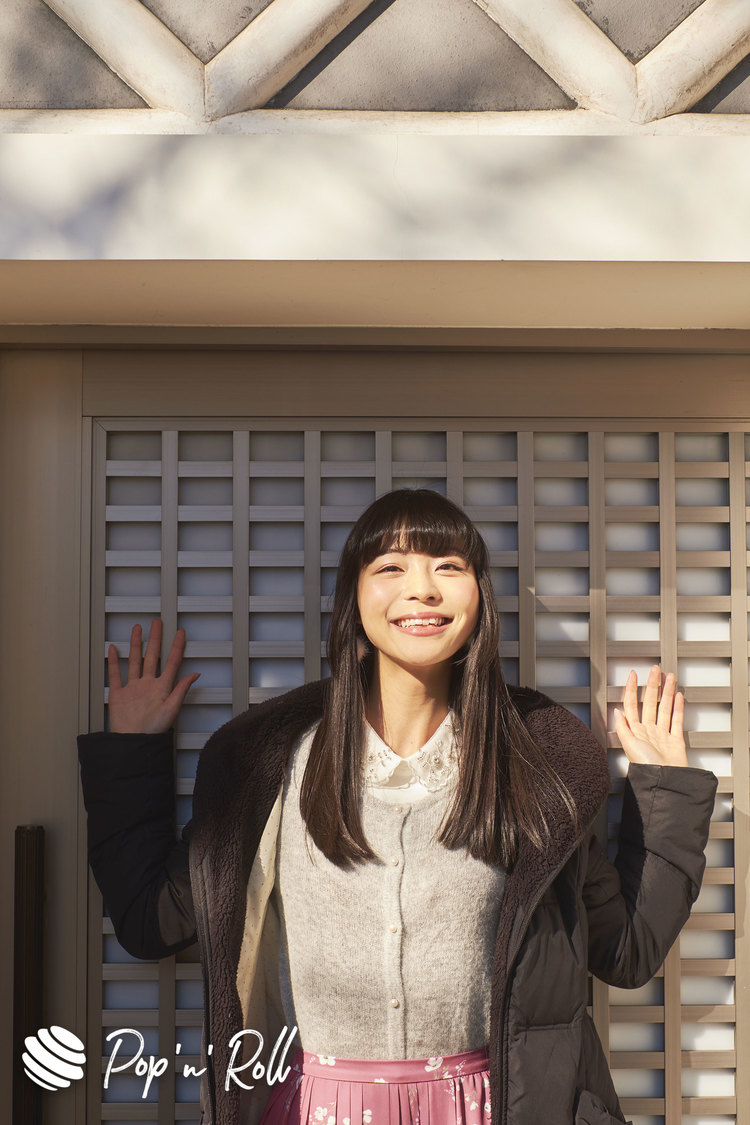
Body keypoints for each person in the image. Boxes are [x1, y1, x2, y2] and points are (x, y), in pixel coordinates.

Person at [78, 488, 718, 1125]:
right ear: (353, 597)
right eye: (390, 567)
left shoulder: (539, 768)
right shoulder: (268, 763)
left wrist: (666, 788)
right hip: (312, 1109)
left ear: (481, 597)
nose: (423, 590)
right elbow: (150, 920)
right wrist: (132, 752)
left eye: (449, 566)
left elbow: (625, 950)